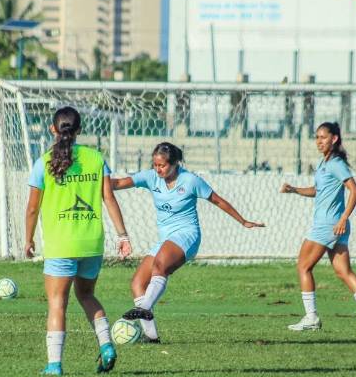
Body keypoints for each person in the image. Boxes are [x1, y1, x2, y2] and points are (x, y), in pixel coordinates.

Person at [111, 142, 264, 341]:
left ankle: (144, 308)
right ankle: (152, 337)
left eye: (162, 165)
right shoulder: (151, 177)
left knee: (160, 266)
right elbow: (117, 184)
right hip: (166, 239)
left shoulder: (190, 180)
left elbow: (218, 200)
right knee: (137, 283)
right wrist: (94, 182)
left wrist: (243, 221)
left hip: (187, 235)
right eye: (155, 165)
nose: (158, 169)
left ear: (175, 163)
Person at [24, 106, 132, 376]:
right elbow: (109, 198)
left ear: (52, 129)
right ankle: (106, 346)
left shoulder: (43, 162)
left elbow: (32, 209)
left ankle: (54, 365)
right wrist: (122, 235)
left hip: (61, 244)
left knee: (57, 304)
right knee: (86, 295)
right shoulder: (96, 158)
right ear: (80, 130)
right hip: (91, 244)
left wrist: (28, 239)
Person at [282, 122, 356, 334]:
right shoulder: (324, 162)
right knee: (343, 271)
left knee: (303, 267)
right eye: (317, 137)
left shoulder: (336, 163)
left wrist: (343, 218)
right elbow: (318, 190)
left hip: (328, 225)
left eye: (323, 137)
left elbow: (355, 190)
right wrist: (294, 190)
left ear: (334, 139)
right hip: (336, 226)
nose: (319, 141)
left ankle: (311, 317)